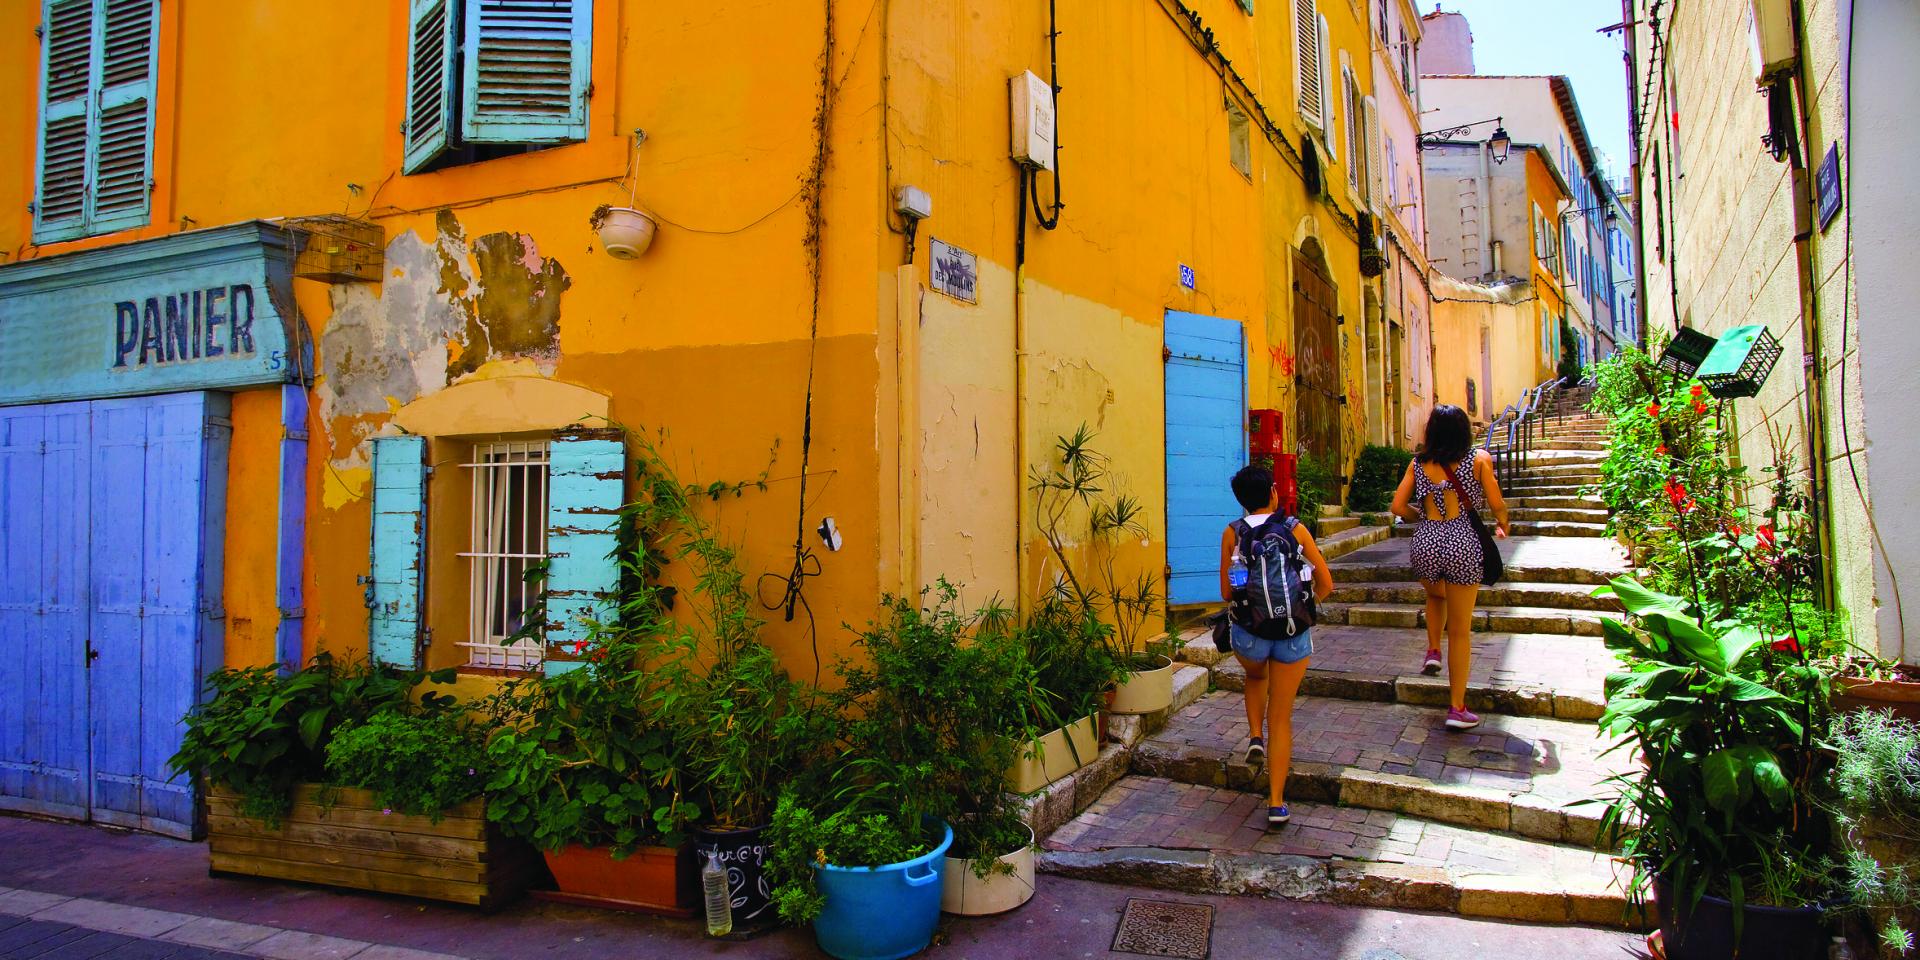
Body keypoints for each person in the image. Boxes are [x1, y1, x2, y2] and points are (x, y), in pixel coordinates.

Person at [1221, 464, 1334, 828]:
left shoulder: (1232, 532)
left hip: (1249, 638)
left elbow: (1226, 593)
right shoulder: (1294, 528)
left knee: (1256, 678)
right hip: (1291, 634)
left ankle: (1254, 736)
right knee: (1281, 718)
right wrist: (1302, 606)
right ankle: (1276, 802)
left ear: (1241, 500)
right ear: (1273, 492)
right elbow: (1327, 583)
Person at [1390, 404, 1510, 731]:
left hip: (1426, 542)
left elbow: (1398, 506)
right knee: (1459, 630)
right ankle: (1456, 708)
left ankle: (1432, 649)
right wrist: (1503, 523)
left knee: (1436, 594)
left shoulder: (1418, 463)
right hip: (1464, 543)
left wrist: (1424, 518)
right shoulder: (1480, 459)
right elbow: (1497, 504)